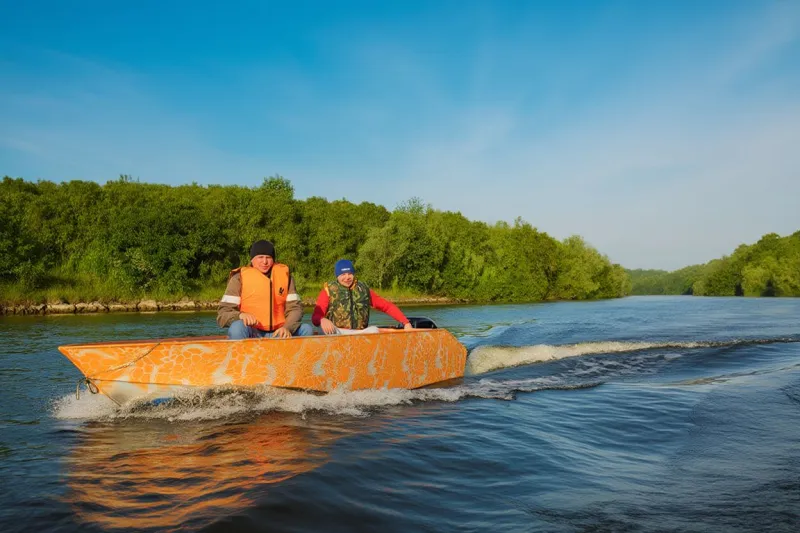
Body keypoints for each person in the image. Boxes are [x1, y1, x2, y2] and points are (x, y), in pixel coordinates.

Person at [217, 240, 313, 340]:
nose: (265, 262)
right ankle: (242, 350)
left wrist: (287, 327)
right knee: (237, 328)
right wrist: (240, 315)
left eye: (268, 257)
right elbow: (223, 315)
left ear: (273, 259)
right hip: (252, 331)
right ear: (252, 259)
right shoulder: (238, 278)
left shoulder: (287, 278)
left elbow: (295, 309)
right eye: (260, 257)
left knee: (306, 329)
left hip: (279, 333)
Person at [312, 259, 414, 335]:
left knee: (374, 330)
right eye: (343, 274)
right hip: (338, 332)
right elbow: (315, 317)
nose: (347, 277)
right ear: (337, 276)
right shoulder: (328, 291)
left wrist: (406, 323)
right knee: (323, 330)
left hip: (359, 334)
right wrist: (322, 319)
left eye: (350, 274)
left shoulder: (363, 289)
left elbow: (386, 306)